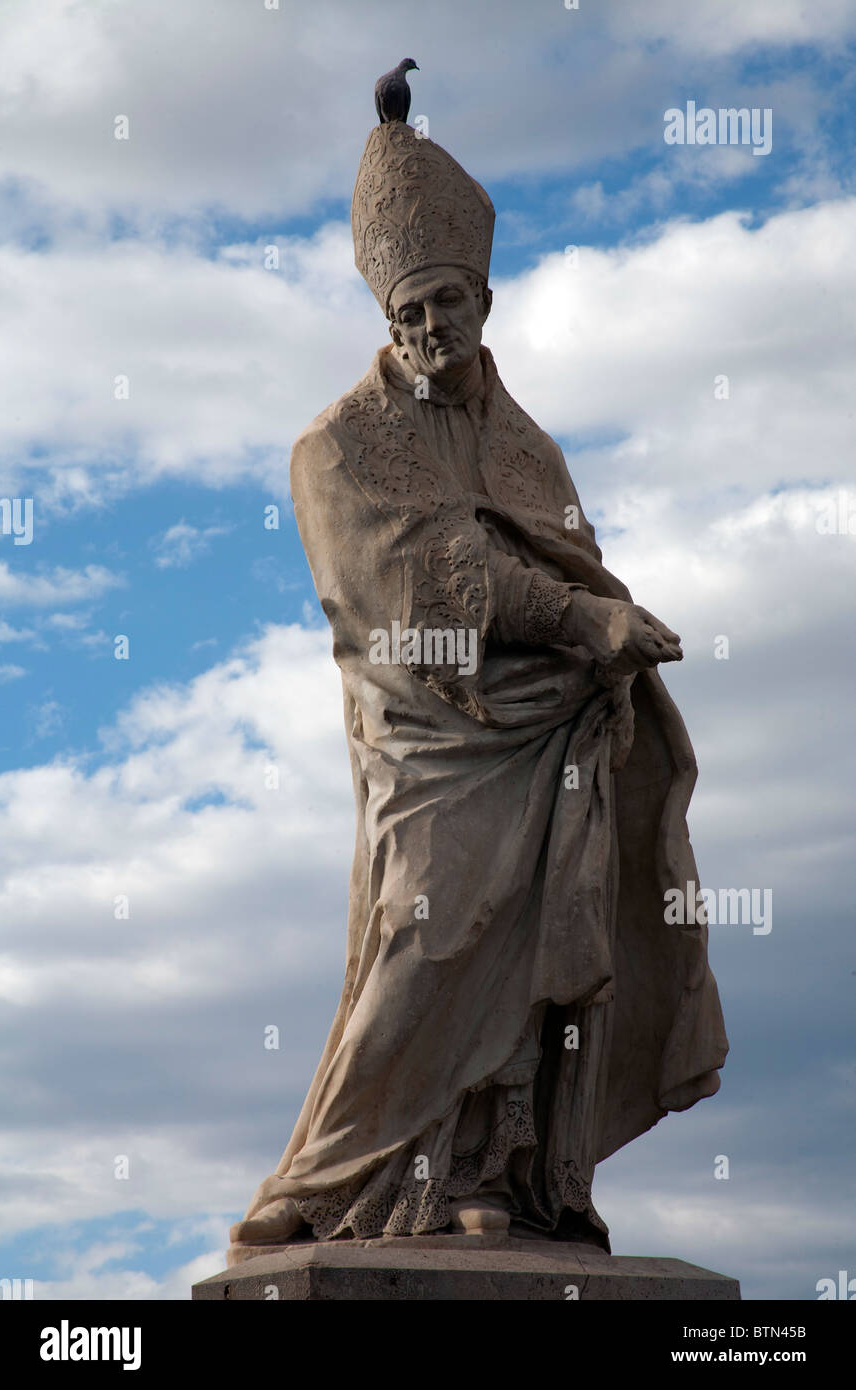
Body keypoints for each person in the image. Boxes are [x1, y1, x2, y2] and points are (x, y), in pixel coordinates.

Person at [227, 120, 728, 1262]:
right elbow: (411, 580)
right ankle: (328, 1175)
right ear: (382, 319)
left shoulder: (531, 451)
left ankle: (491, 1172)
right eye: (404, 312)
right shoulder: (338, 447)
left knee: (535, 942)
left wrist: (603, 631)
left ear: (484, 301)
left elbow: (568, 556)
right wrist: (579, 618)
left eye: (445, 302)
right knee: (429, 934)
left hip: (542, 730)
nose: (426, 327)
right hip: (428, 736)